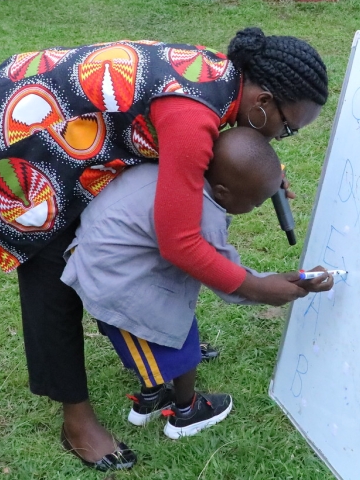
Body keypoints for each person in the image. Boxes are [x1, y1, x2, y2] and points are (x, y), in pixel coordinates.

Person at [0, 28, 329, 470]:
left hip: (63, 124)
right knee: (49, 269)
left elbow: (197, 151)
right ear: (263, 104)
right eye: (288, 129)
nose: (283, 138)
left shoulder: (224, 81)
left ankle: (153, 337)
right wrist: (257, 288)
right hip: (25, 134)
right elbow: (180, 243)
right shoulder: (191, 113)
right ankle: (76, 420)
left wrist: (261, 171)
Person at [61, 127, 333, 444]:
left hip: (97, 262)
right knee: (178, 337)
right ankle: (187, 412)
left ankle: (152, 397)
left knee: (150, 339)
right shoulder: (202, 212)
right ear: (223, 192)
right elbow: (227, 277)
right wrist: (271, 286)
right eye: (255, 203)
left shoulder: (169, 167)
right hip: (118, 285)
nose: (255, 209)